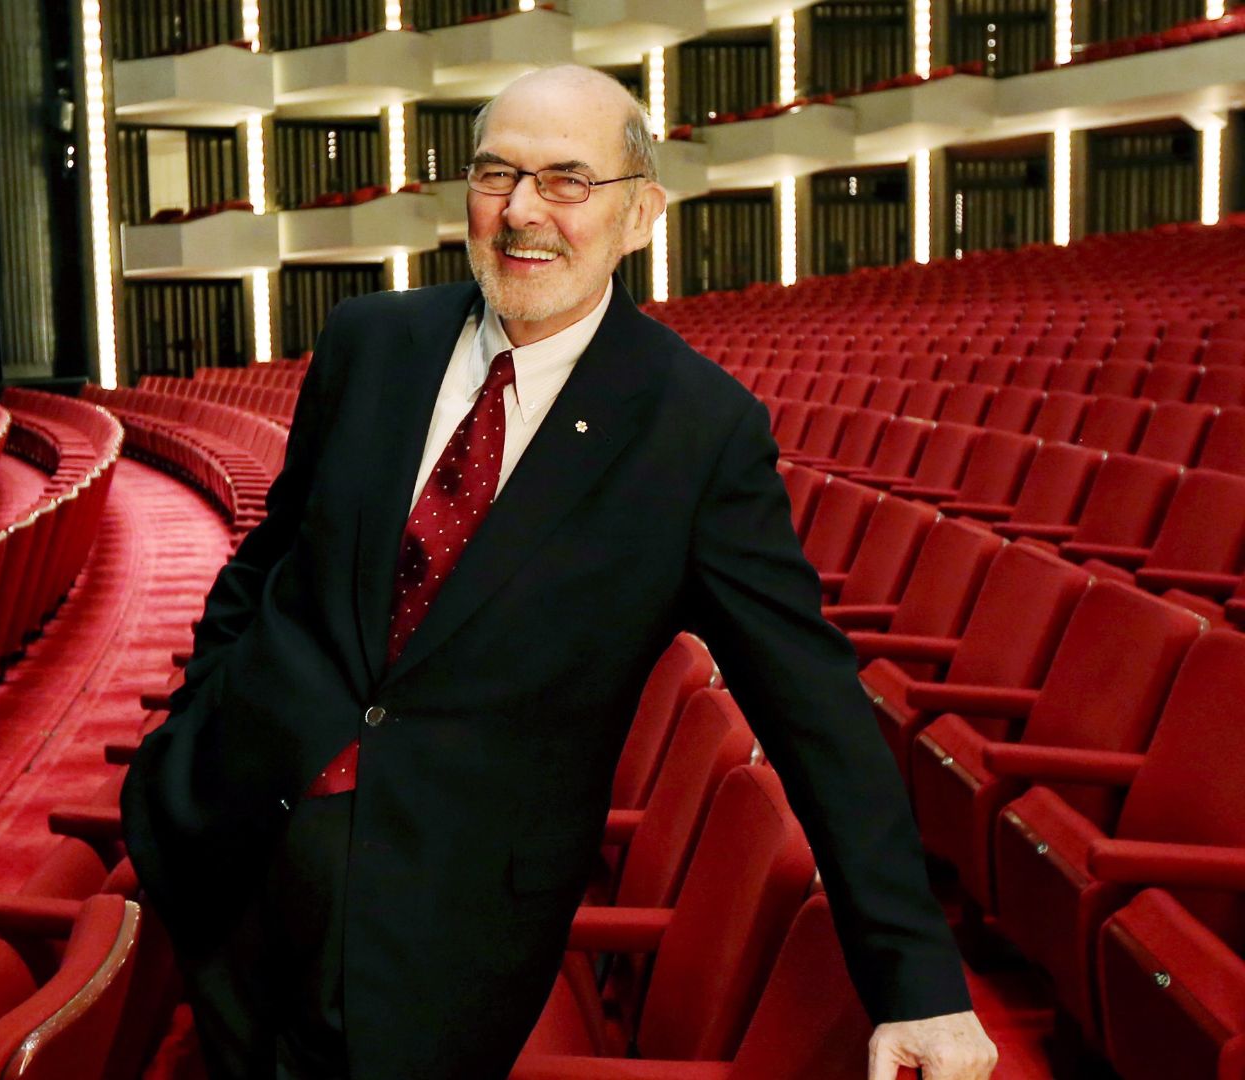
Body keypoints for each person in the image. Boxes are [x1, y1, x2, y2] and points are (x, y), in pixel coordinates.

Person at [120, 65, 998, 1080]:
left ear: (640, 214)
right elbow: (273, 557)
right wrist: (201, 717)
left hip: (446, 926)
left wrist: (919, 981)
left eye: (568, 181)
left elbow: (813, 709)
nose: (523, 211)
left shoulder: (697, 434)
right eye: (499, 174)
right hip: (233, 834)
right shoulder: (374, 342)